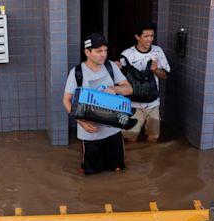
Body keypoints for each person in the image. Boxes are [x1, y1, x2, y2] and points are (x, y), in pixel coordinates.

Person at [63, 33, 133, 175]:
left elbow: (129, 89)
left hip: (113, 130)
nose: (103, 55)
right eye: (98, 51)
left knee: (117, 170)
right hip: (90, 134)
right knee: (91, 173)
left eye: (105, 51)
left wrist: (114, 89)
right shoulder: (77, 73)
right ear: (87, 52)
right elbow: (66, 100)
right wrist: (80, 122)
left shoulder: (111, 67)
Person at [117, 20, 170, 143]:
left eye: (152, 36)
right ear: (137, 37)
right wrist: (117, 68)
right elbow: (120, 81)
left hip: (153, 104)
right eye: (146, 36)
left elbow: (166, 76)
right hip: (133, 106)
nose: (149, 39)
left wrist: (155, 69)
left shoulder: (158, 52)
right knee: (130, 139)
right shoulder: (127, 54)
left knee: (153, 138)